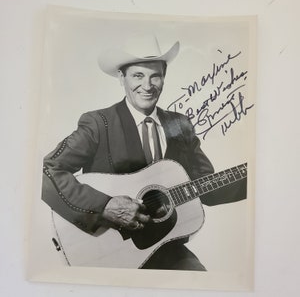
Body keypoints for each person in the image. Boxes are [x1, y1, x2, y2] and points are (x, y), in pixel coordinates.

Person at [42, 34, 246, 271]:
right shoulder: (99, 123)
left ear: (164, 76)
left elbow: (207, 188)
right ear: (122, 77)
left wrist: (255, 178)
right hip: (106, 253)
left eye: (155, 76)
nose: (147, 86)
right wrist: (105, 206)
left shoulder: (180, 125)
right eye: (138, 75)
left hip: (168, 249)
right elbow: (48, 170)